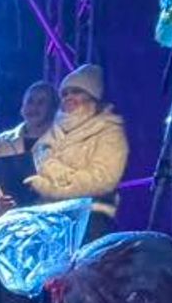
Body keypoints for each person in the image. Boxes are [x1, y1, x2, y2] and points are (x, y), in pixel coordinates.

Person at [0, 81, 59, 303]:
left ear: (52, 107)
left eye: (41, 102)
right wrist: (0, 200)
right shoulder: (3, 142)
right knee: (12, 290)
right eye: (30, 101)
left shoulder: (64, 141)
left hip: (48, 221)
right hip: (14, 223)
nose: (34, 107)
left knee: (49, 291)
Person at [26, 63, 128, 242]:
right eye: (65, 93)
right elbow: (38, 158)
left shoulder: (109, 131)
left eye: (76, 92)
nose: (69, 97)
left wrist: (51, 188)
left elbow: (102, 180)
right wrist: (53, 170)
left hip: (90, 221)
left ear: (92, 95)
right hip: (51, 221)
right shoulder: (56, 129)